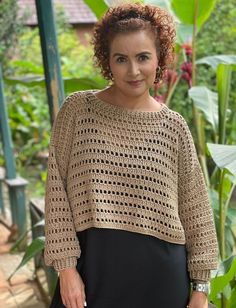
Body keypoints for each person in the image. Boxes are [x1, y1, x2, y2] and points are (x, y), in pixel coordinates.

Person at [44, 3, 219, 308]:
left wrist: (201, 290)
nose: (134, 70)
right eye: (121, 59)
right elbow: (56, 190)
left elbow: (197, 211)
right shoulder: (77, 111)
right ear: (107, 62)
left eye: (143, 57)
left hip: (162, 279)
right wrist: (66, 268)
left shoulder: (173, 126)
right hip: (92, 272)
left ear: (159, 59)